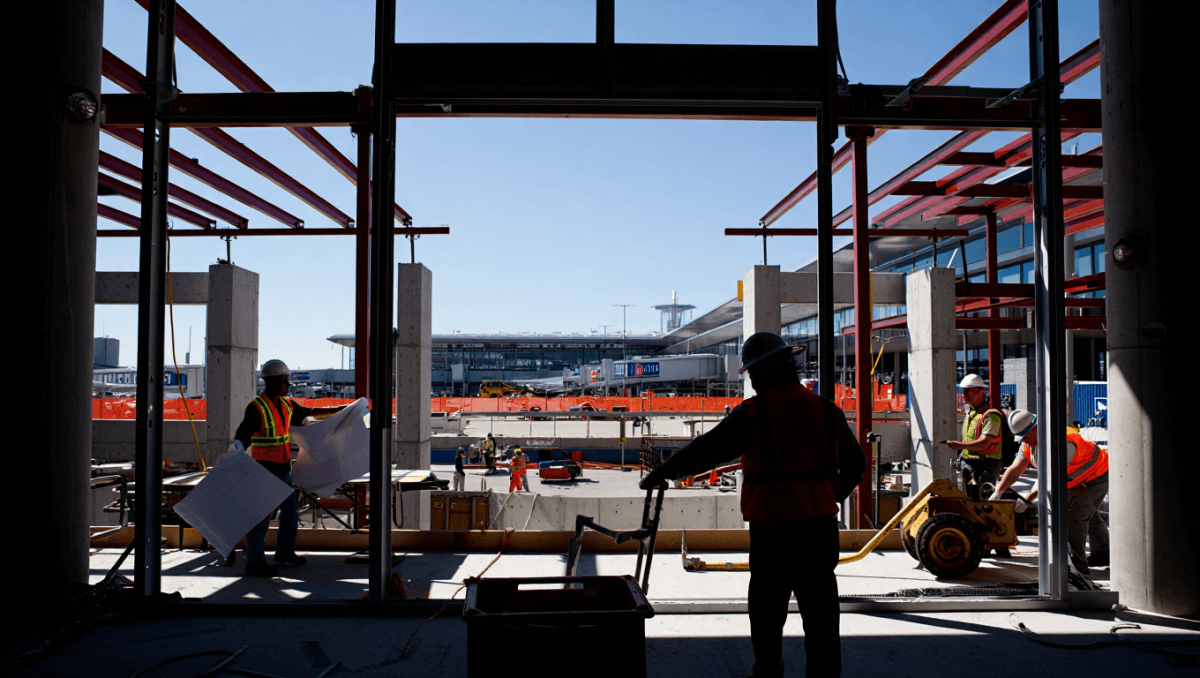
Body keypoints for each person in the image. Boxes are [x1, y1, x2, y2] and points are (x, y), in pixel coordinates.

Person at [640, 332, 866, 678]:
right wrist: (827, 494)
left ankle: (767, 675)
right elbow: (855, 465)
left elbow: (707, 449)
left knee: (766, 615)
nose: (753, 381)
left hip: (772, 531)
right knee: (821, 619)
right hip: (819, 530)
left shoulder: (754, 413)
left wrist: (664, 472)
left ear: (764, 372)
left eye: (752, 374)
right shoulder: (827, 411)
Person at [233, 359, 349, 578]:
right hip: (264, 469)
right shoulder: (257, 408)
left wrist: (342, 410)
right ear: (273, 382)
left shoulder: (287, 405)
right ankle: (254, 563)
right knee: (261, 518)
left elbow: (310, 412)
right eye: (285, 380)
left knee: (290, 513)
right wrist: (234, 460)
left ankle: (284, 553)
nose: (288, 384)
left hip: (284, 469)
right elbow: (241, 436)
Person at [989, 409, 1111, 573]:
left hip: (1095, 475)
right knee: (1088, 514)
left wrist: (1027, 499)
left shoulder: (1060, 442)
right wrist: (998, 492)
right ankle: (1103, 553)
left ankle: (1079, 570)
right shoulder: (1029, 443)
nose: (1024, 440)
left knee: (1076, 518)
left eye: (1026, 436)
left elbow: (1051, 479)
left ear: (1035, 428)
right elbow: (1015, 468)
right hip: (1073, 476)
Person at [946, 374, 1004, 501]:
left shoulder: (991, 416)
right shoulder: (971, 413)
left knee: (983, 502)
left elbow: (984, 443)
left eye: (968, 391)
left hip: (985, 466)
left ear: (979, 392)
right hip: (970, 463)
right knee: (969, 500)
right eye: (963, 391)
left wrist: (958, 445)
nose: (963, 394)